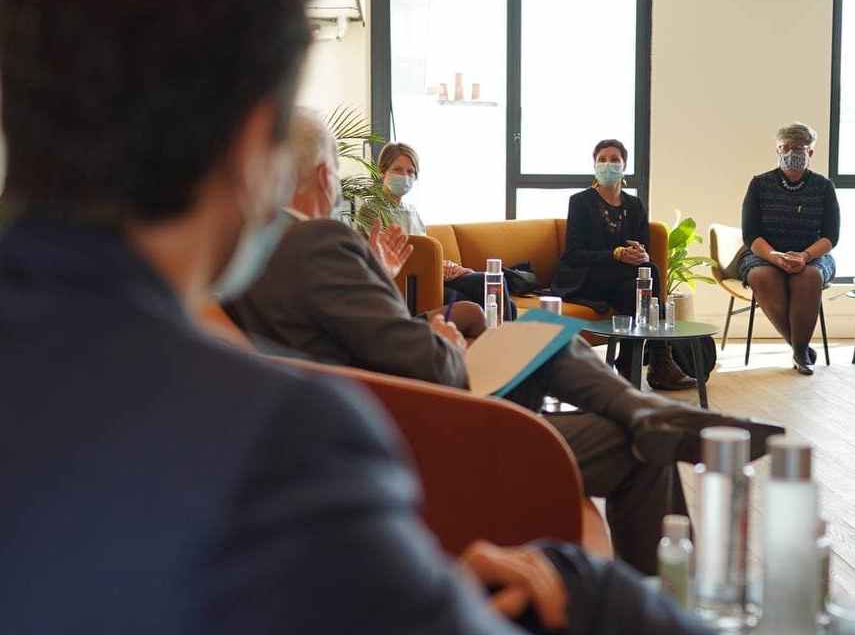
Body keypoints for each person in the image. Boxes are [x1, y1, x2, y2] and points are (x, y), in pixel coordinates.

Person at [0, 0, 849, 635]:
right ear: (254, 144)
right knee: (578, 595)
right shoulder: (278, 442)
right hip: (445, 448)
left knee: (573, 571)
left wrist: (414, 587)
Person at [226, 111, 783, 576]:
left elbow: (342, 338)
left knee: (535, 334)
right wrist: (444, 340)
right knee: (632, 444)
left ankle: (644, 410)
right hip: (425, 430)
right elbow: (432, 367)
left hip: (378, 417)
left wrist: (405, 303)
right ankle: (658, 603)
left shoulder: (239, 256)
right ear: (325, 174)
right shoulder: (317, 241)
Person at [552, 139, 696, 391]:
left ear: (624, 165)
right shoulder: (580, 202)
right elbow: (574, 254)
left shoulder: (634, 205)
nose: (608, 164)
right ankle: (657, 362)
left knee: (639, 282)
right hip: (587, 278)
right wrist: (616, 254)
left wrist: (640, 254)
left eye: (614, 159)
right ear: (594, 165)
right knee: (647, 276)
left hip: (623, 281)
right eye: (602, 159)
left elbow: (643, 245)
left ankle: (635, 365)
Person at [738, 123, 840, 375]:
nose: (792, 153)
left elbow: (831, 236)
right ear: (778, 149)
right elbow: (751, 234)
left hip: (812, 254)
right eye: (786, 148)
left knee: (809, 277)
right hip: (765, 254)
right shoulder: (759, 184)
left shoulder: (823, 186)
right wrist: (774, 256)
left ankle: (800, 352)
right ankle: (800, 348)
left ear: (810, 152)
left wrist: (805, 256)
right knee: (763, 276)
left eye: (799, 149)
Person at [377, 141, 517, 321]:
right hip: (410, 283)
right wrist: (435, 268)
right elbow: (382, 259)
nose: (405, 176)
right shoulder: (372, 211)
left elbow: (424, 253)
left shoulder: (412, 211)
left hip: (435, 275)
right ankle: (501, 336)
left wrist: (453, 268)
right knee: (479, 302)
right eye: (398, 170)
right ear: (382, 172)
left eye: (410, 172)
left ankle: (501, 336)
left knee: (500, 293)